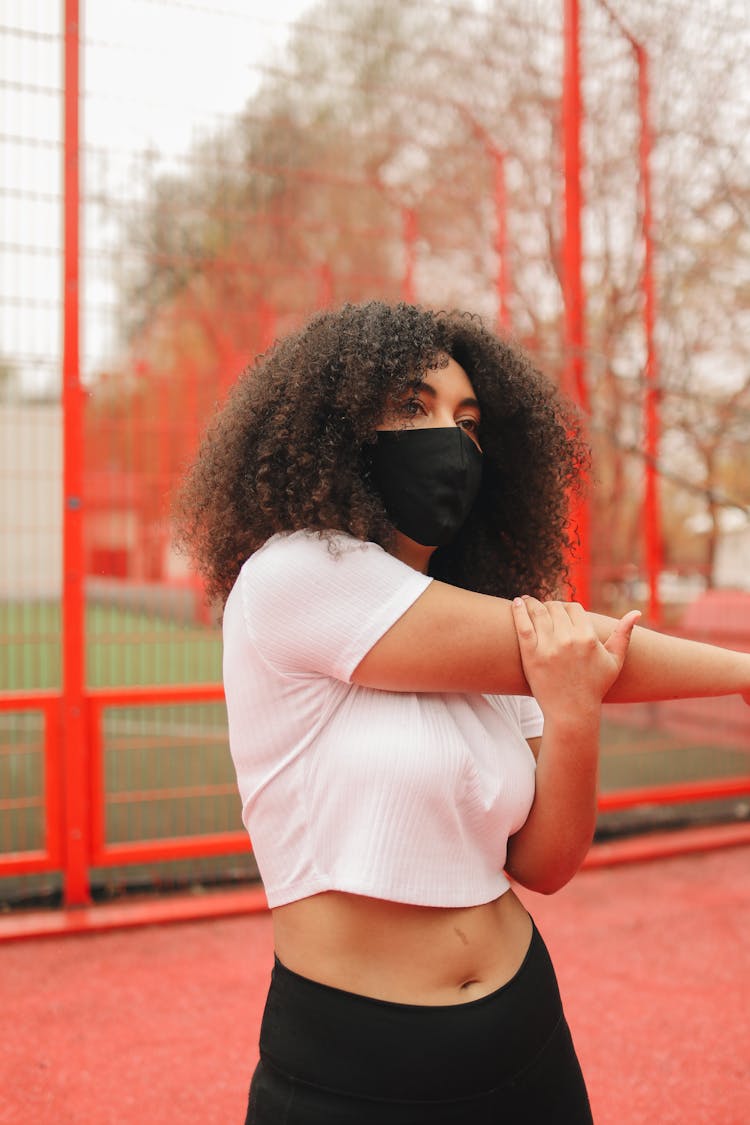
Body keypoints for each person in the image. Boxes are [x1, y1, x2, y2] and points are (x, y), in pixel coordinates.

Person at [174, 301, 750, 1124]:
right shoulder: (295, 574)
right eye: (413, 406)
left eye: (468, 420)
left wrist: (574, 707)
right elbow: (570, 641)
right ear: (340, 429)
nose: (449, 438)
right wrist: (741, 672)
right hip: (353, 1062)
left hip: (525, 1032)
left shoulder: (486, 617)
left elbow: (545, 864)